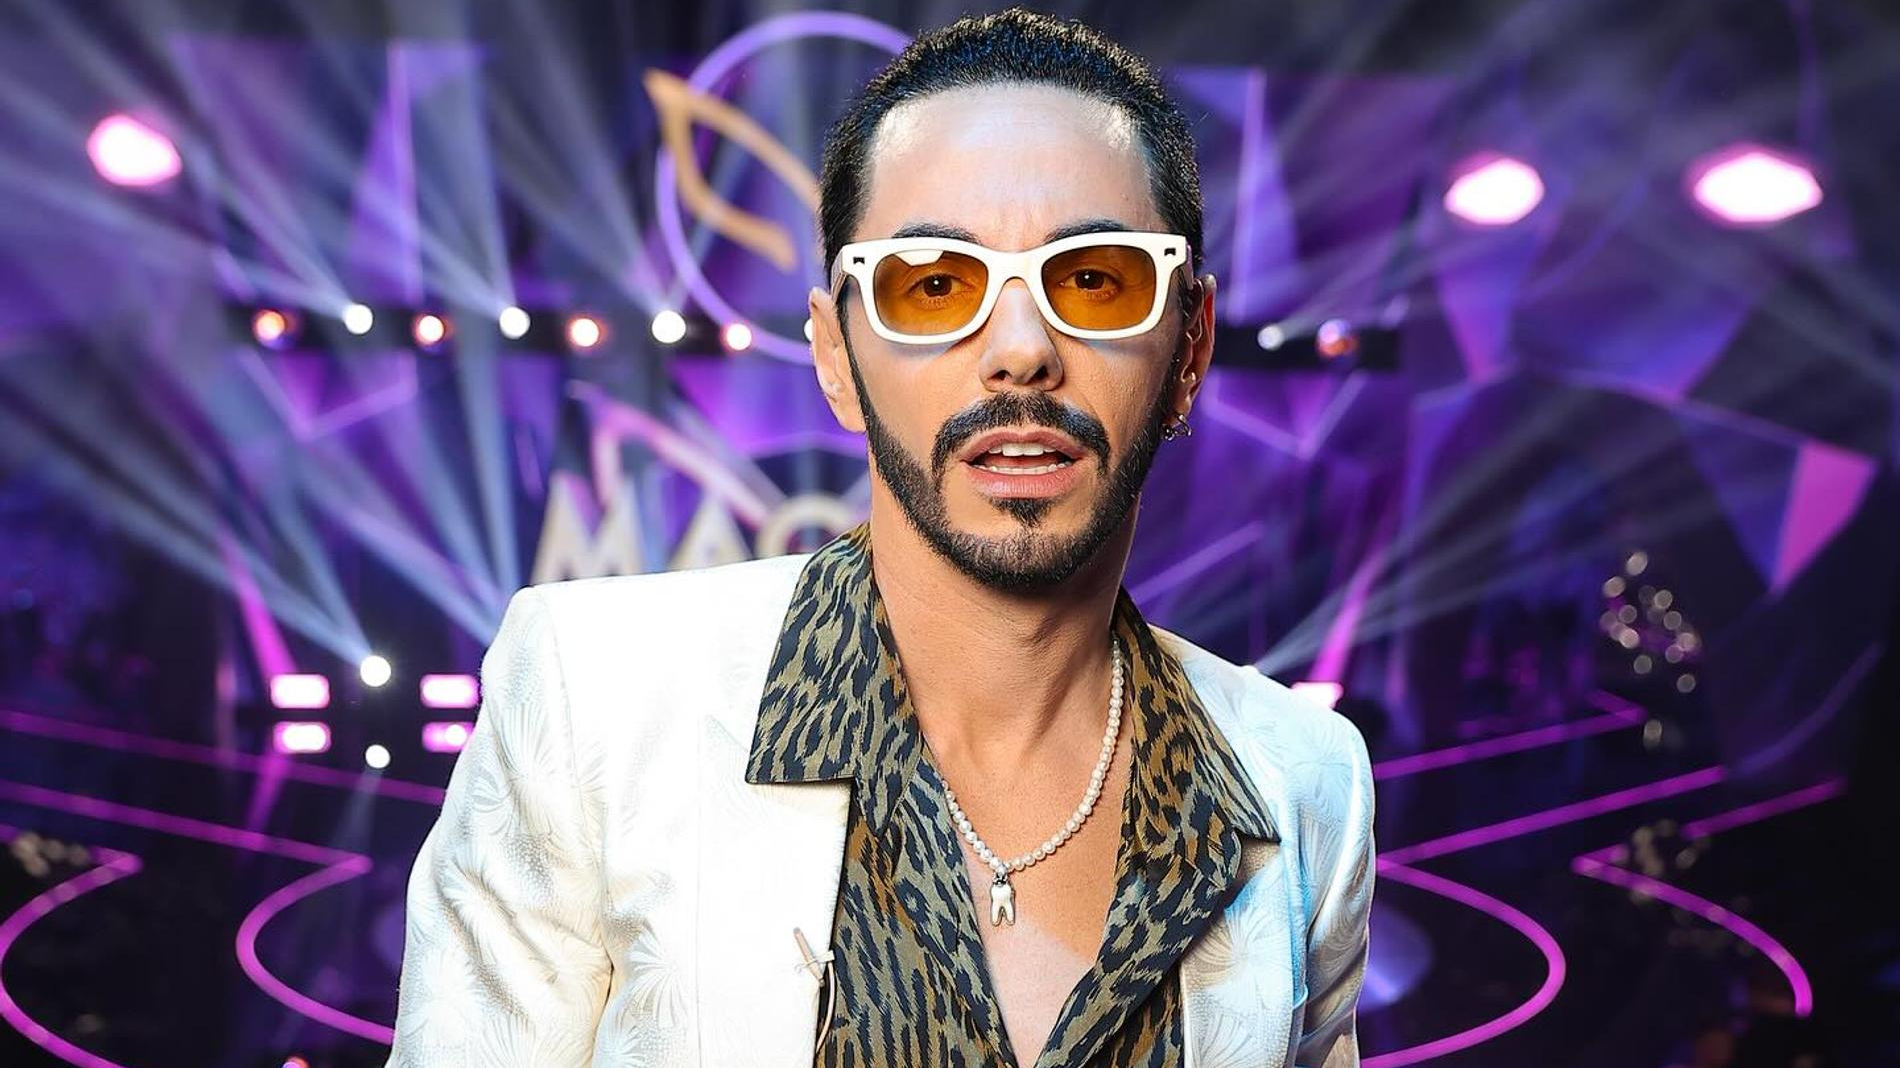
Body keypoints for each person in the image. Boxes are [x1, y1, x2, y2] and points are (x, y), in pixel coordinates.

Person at [386, 9, 1375, 1066]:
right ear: (835, 357)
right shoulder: (595, 699)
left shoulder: (1304, 783)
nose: (1021, 351)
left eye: (1095, 278)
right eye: (935, 285)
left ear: (1190, 347)